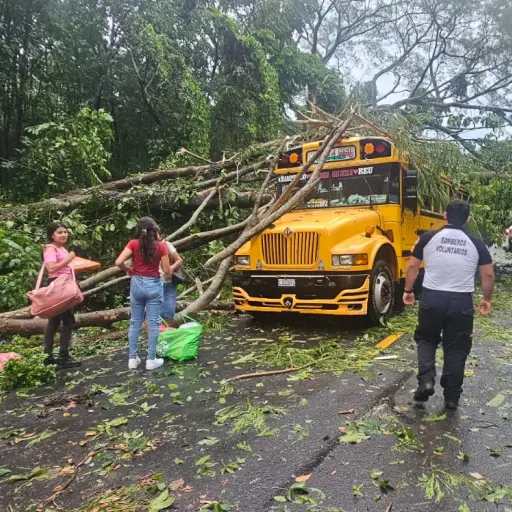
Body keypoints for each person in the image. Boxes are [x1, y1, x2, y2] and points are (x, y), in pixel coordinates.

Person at [403, 200, 495, 410]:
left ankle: (426, 380)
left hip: (432, 299)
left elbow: (412, 267)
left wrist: (408, 291)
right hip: (461, 303)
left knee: (426, 339)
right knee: (457, 348)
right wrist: (486, 299)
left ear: (444, 216)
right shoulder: (476, 243)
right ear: (468, 219)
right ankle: (452, 397)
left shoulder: (428, 238)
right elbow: (488, 274)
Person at [115, 217, 171, 370]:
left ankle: (132, 359)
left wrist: (128, 270)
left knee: (135, 322)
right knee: (153, 323)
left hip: (136, 284)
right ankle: (151, 360)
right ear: (154, 230)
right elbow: (166, 271)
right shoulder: (161, 246)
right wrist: (168, 275)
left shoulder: (133, 243)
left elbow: (118, 261)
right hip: (153, 285)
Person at [42, 222, 81, 369]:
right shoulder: (50, 248)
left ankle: (48, 356)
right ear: (52, 235)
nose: (64, 234)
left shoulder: (61, 249)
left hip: (64, 285)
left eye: (65, 232)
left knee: (54, 321)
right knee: (67, 321)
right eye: (60, 232)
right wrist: (68, 258)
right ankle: (62, 356)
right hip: (59, 286)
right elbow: (51, 267)